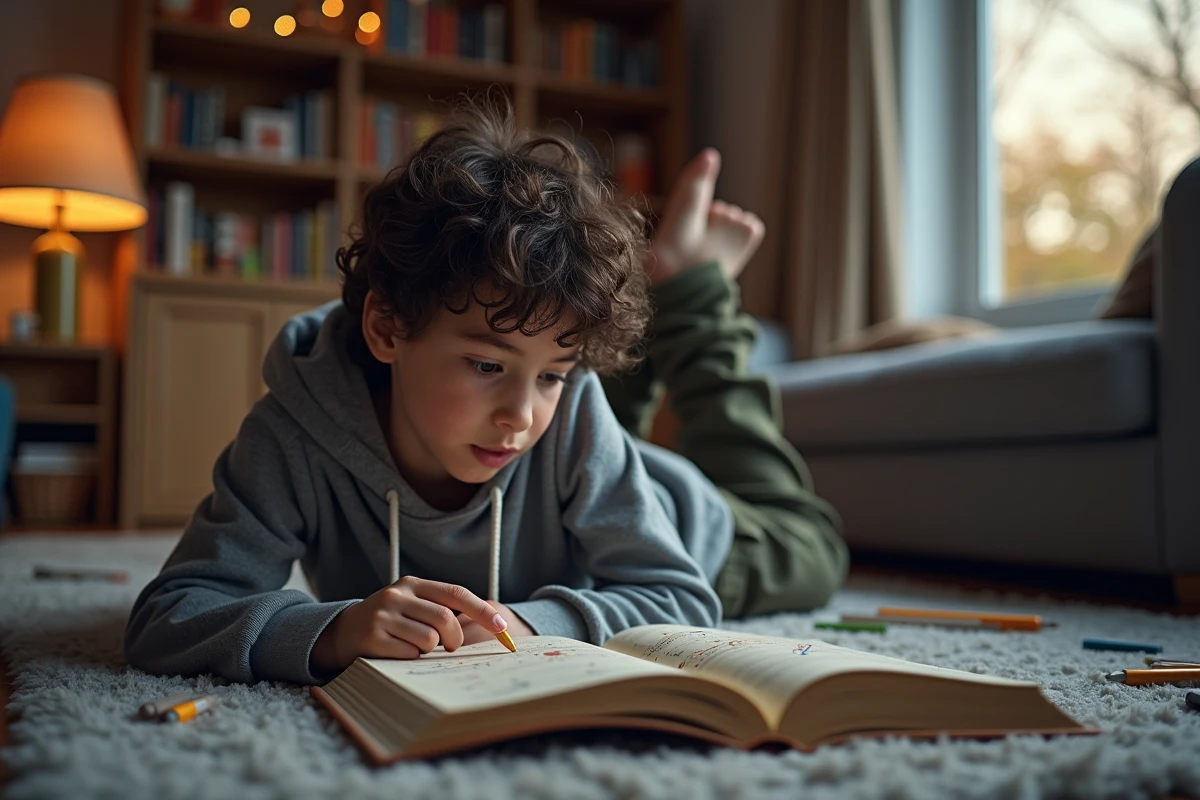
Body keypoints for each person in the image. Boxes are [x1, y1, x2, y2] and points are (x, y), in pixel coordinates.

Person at [124, 99, 844, 686]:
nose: (518, 415)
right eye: (487, 365)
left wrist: (529, 622)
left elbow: (682, 597)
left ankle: (692, 287)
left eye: (554, 375)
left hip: (703, 531)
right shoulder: (294, 433)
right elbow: (170, 614)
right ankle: (652, 304)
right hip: (586, 483)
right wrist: (331, 629)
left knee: (814, 545)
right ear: (386, 326)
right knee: (563, 410)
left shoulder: (557, 415)